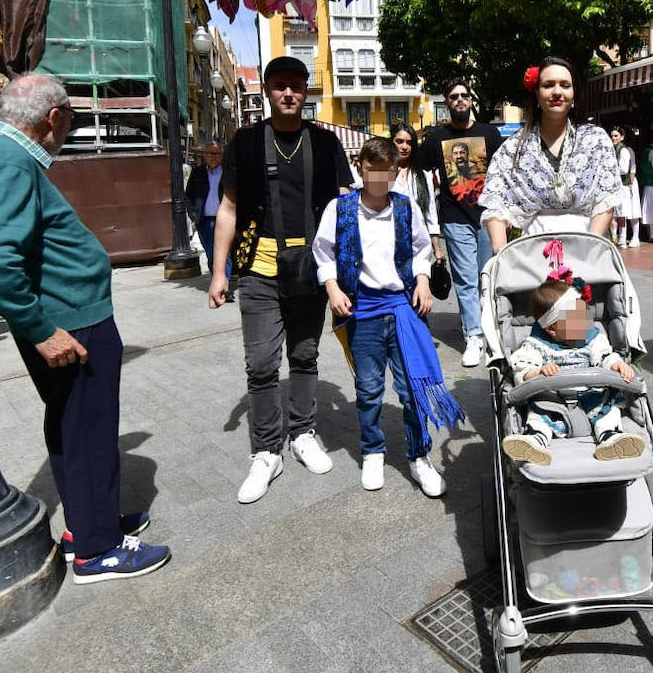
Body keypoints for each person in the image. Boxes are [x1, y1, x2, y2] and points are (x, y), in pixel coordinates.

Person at [0, 73, 169, 582]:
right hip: (70, 324)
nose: (68, 129)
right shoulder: (8, 160)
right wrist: (41, 328)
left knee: (72, 425)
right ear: (54, 118)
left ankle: (86, 524)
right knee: (89, 432)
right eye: (69, 119)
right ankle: (98, 550)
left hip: (67, 318)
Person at [207, 56, 353, 505]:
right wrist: (219, 271)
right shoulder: (246, 141)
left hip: (311, 267)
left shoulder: (326, 143)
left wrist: (349, 271)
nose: (288, 93)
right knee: (262, 364)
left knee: (305, 355)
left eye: (296, 86)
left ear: (306, 92)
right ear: (268, 91)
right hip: (257, 268)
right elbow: (227, 209)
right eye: (279, 86)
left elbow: (346, 207)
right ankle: (267, 450)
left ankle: (304, 432)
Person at [312, 138, 464, 494]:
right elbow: (323, 252)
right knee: (368, 389)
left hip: (402, 308)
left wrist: (423, 281)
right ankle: (373, 451)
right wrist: (333, 289)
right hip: (362, 310)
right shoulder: (340, 208)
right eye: (372, 170)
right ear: (360, 168)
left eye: (387, 171)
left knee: (413, 387)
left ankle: (419, 455)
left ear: (395, 172)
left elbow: (421, 249)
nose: (379, 177)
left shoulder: (405, 206)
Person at [500, 278, 644, 465]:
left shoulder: (593, 339)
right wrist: (538, 371)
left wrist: (616, 365)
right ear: (552, 329)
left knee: (609, 410)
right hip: (554, 401)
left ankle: (612, 439)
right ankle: (534, 441)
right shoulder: (536, 346)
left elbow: (604, 356)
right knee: (538, 415)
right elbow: (522, 368)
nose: (586, 324)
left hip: (592, 396)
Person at [479, 58, 622, 245]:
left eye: (565, 85)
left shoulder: (596, 140)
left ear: (574, 93)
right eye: (548, 85)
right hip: (534, 252)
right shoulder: (513, 148)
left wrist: (590, 247)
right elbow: (496, 201)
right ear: (537, 94)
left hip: (588, 244)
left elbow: (606, 198)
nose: (557, 92)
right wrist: (501, 250)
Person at [419, 80, 503, 368]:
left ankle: (492, 332)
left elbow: (504, 172)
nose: (459, 100)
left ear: (471, 100)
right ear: (446, 103)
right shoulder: (435, 138)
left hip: (487, 216)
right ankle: (474, 336)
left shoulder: (489, 133)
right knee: (466, 281)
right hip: (455, 218)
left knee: (487, 278)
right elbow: (416, 169)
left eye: (464, 96)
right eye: (453, 97)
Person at [184, 143, 230, 278]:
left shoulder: (229, 171)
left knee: (224, 254)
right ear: (204, 155)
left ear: (222, 156)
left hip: (225, 220)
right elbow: (188, 195)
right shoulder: (198, 172)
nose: (213, 157)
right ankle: (216, 279)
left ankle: (224, 286)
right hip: (204, 221)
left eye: (217, 154)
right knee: (211, 254)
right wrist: (192, 214)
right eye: (210, 153)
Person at [390, 123, 439, 240]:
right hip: (390, 239)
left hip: (418, 241)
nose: (405, 147)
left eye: (409, 143)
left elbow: (430, 211)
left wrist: (437, 249)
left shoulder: (423, 175)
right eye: (399, 141)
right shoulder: (382, 174)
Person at [609, 126, 642, 247]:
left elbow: (624, 169)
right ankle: (622, 238)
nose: (613, 138)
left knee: (632, 211)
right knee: (620, 212)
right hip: (621, 184)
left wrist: (609, 170)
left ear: (622, 137)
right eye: (612, 136)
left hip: (627, 183)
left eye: (616, 135)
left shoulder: (624, 150)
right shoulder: (615, 149)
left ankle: (634, 237)